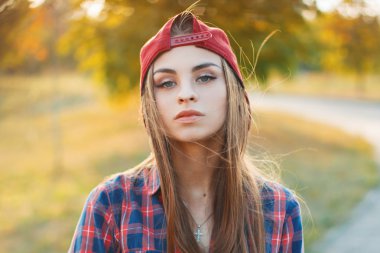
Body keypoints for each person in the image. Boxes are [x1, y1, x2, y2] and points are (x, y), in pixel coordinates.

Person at [69, 10, 303, 253]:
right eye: (167, 83)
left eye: (204, 77)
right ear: (151, 105)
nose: (186, 94)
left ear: (233, 94)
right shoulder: (112, 203)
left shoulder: (279, 208)